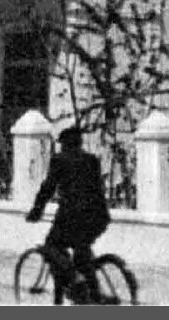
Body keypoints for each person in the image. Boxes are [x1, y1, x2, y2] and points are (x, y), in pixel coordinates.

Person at [25, 127, 111, 304]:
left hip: (73, 215)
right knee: (82, 251)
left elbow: (48, 188)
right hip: (98, 216)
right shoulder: (91, 160)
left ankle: (76, 281)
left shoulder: (60, 160)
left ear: (64, 144)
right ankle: (93, 293)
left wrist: (36, 211)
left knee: (51, 246)